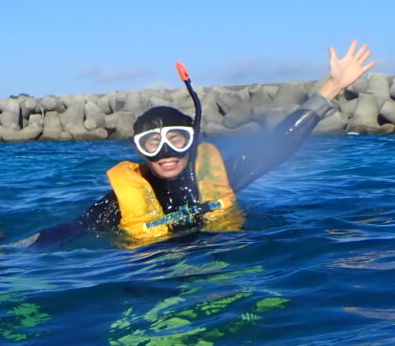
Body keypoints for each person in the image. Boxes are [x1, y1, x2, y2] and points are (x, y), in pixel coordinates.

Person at [32, 41, 377, 247]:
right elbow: (67, 232)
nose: (166, 152)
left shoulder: (221, 175)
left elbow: (279, 144)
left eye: (176, 139)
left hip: (220, 268)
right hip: (156, 279)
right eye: (153, 143)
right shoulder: (120, 202)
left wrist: (331, 86)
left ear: (192, 141)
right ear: (140, 151)